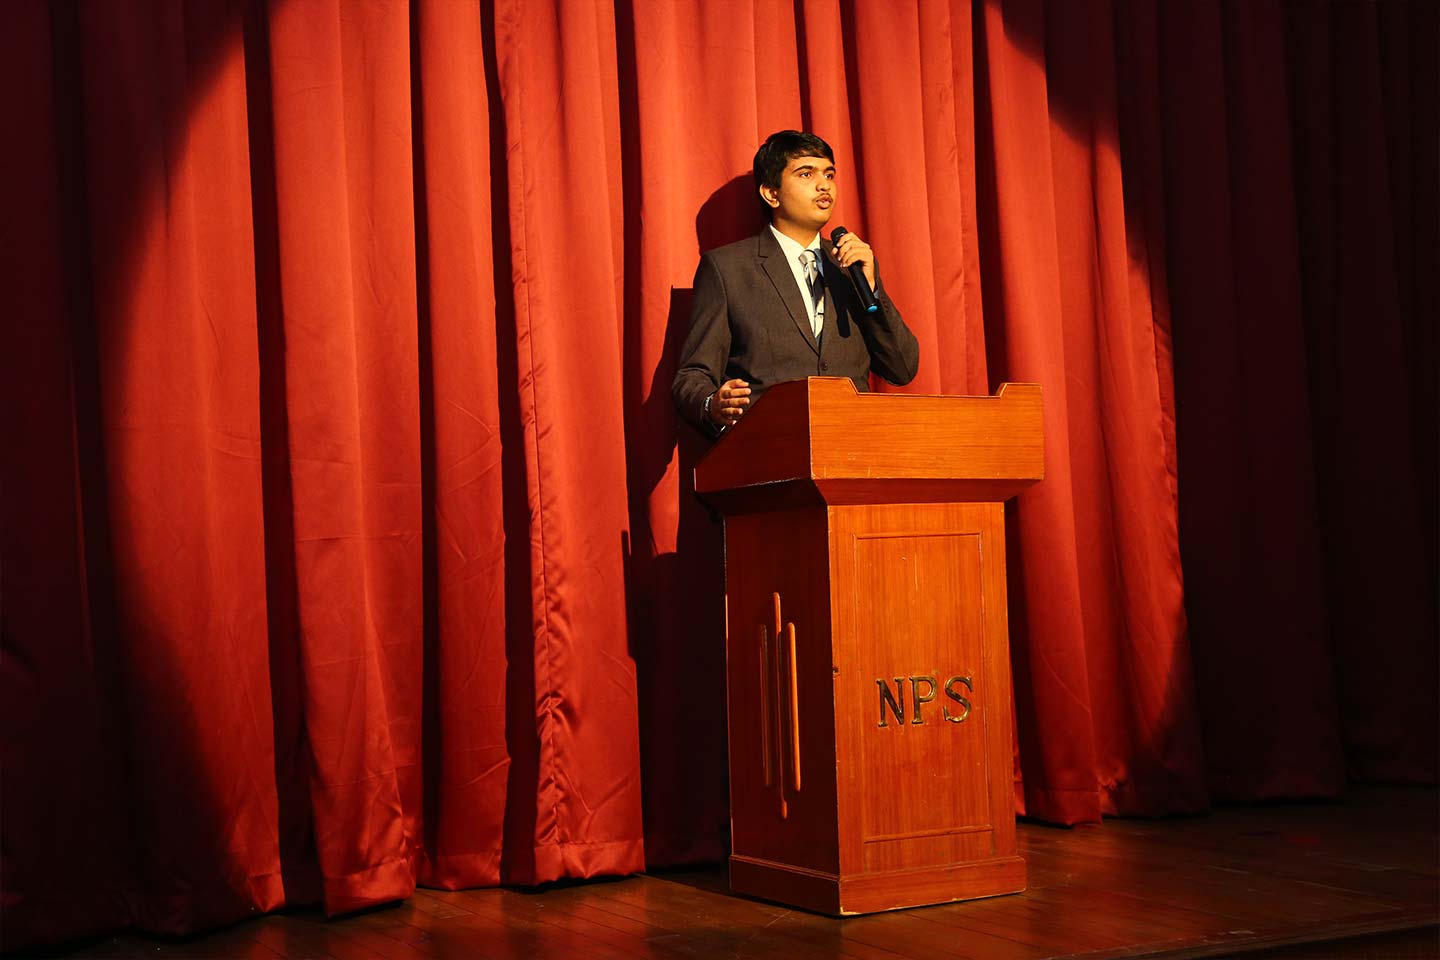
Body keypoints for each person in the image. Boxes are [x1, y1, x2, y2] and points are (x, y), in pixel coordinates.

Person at [672, 130, 920, 436]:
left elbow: (902, 367)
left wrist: (871, 289)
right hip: (768, 446)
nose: (823, 185)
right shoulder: (728, 269)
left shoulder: (850, 264)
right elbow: (692, 376)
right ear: (771, 193)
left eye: (829, 174)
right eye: (806, 174)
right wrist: (713, 404)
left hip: (851, 445)